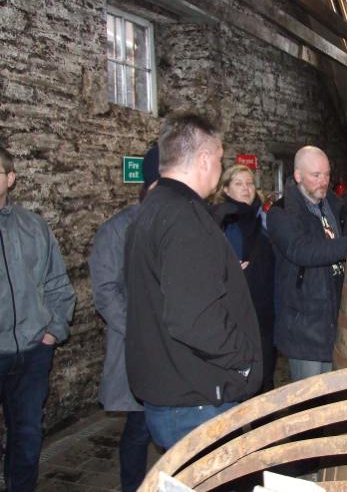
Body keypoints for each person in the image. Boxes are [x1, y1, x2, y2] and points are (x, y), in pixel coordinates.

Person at [125, 114, 262, 451]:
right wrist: (244, 359)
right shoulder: (183, 217)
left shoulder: (152, 208)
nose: (219, 165)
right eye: (218, 157)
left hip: (173, 390)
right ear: (204, 160)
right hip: (196, 400)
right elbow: (194, 319)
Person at [267, 146, 347, 381]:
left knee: (333, 396)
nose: (324, 181)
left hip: (336, 316)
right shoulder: (281, 213)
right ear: (298, 176)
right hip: (304, 321)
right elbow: (302, 250)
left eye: (327, 174)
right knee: (309, 401)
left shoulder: (336, 206)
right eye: (315, 175)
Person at [0, 146, 76, 492]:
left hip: (31, 351)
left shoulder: (32, 226)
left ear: (10, 179)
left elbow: (57, 282)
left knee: (27, 436)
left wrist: (53, 332)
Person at [88, 145, 159, 492]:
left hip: (174, 348)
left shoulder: (182, 224)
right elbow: (106, 291)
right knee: (140, 427)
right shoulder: (118, 230)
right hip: (139, 346)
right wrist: (142, 330)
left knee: (172, 426)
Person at [212, 164, 276, 392]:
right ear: (226, 189)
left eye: (249, 183)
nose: (246, 188)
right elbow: (205, 264)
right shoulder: (219, 221)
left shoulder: (266, 218)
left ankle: (265, 426)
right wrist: (226, 269)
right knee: (241, 377)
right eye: (238, 183)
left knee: (266, 374)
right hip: (236, 311)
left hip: (265, 307)